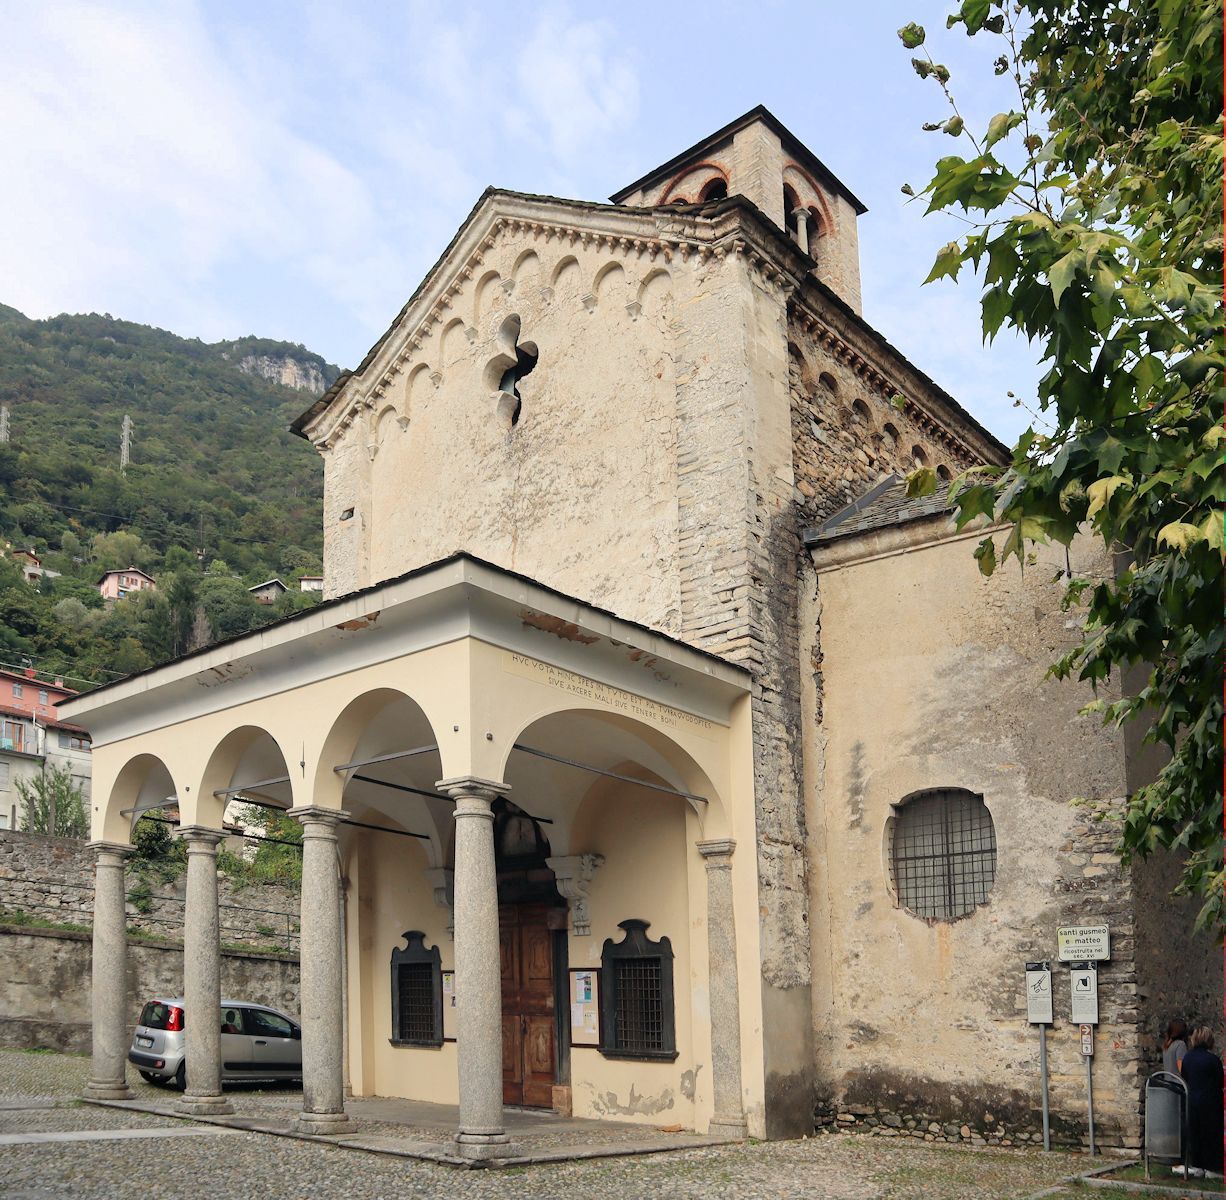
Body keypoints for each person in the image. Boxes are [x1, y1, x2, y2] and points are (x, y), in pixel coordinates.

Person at [1177, 1027, 1224, 1179]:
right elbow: (1220, 1081)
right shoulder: (1213, 1060)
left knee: (1195, 1133)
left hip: (1192, 1098)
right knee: (1210, 1133)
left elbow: (1185, 1076)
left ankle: (1197, 1165)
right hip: (1210, 1100)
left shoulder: (1188, 1058)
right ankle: (1212, 1168)